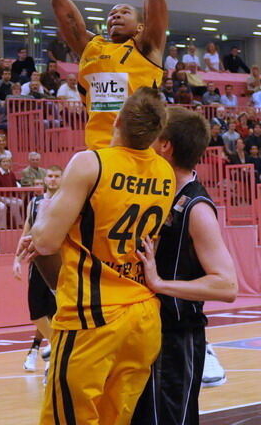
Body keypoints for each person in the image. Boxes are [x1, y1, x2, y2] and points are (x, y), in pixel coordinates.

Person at [21, 88, 175, 425]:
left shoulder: (92, 162)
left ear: (116, 120)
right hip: (142, 316)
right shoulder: (166, 172)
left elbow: (44, 241)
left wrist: (43, 212)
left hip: (93, 315)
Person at [131, 107, 238, 424]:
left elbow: (227, 285)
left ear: (164, 145)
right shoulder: (154, 193)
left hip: (176, 338)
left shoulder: (196, 207)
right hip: (144, 332)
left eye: (153, 135)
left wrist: (161, 284)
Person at [52, 0, 167, 150]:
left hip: (137, 150)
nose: (116, 15)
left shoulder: (147, 46)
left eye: (125, 12)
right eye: (112, 13)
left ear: (140, 27)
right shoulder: (92, 46)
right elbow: (61, 5)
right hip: (98, 150)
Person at [13, 165, 62, 373]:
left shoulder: (66, 202)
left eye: (56, 176)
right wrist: (16, 258)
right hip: (37, 261)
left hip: (59, 263)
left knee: (56, 311)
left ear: (62, 179)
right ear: (44, 180)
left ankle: (54, 354)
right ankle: (56, 346)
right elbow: (27, 230)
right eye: (49, 176)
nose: (52, 180)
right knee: (36, 313)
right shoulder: (34, 203)